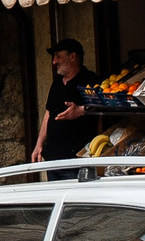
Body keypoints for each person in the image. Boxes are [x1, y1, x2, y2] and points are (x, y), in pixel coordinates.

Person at [31, 39, 102, 170]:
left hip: (76, 159)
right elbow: (49, 113)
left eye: (58, 56)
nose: (54, 62)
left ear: (72, 57)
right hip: (52, 158)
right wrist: (39, 144)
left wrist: (81, 110)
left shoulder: (90, 80)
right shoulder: (57, 83)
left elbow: (102, 106)